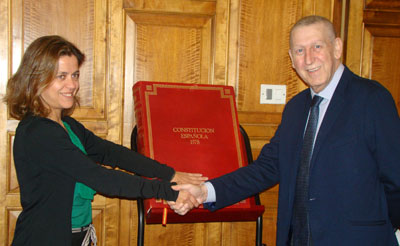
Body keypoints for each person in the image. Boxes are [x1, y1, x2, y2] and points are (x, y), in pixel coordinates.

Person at [170, 15, 400, 246]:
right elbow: (267, 168)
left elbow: (396, 178)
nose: (309, 59)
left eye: (317, 46)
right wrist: (203, 192)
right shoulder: (296, 108)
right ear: (291, 58)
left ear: (337, 48)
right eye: (300, 51)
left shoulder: (372, 99)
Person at [3, 35, 205, 246]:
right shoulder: (38, 132)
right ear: (36, 79)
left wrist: (170, 174)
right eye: (61, 76)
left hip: (77, 237)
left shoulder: (68, 126)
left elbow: (113, 154)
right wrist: (168, 191)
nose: (72, 84)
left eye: (75, 75)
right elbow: (99, 177)